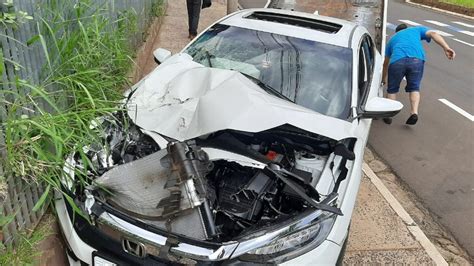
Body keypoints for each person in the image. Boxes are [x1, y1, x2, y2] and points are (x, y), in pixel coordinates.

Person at [382, 23, 455, 125]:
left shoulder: (392, 39)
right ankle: (414, 112)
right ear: (407, 29)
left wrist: (383, 79)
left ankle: (389, 114)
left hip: (397, 61)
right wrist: (446, 47)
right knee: (414, 88)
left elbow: (385, 63)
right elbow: (434, 34)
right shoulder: (415, 30)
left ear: (396, 32)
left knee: (392, 90)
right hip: (417, 60)